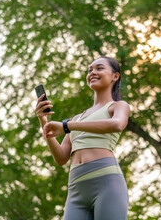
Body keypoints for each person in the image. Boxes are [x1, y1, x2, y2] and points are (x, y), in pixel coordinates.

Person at [35, 56, 130, 220]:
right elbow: (61, 157)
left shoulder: (118, 106)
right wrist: (44, 122)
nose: (93, 72)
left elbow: (117, 124)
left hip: (106, 183)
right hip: (76, 189)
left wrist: (66, 126)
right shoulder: (78, 118)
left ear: (115, 76)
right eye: (90, 70)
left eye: (99, 68)